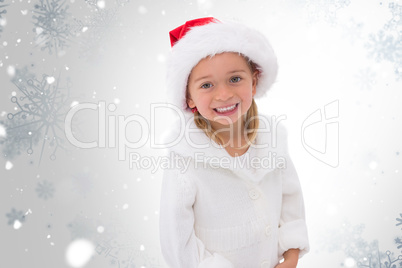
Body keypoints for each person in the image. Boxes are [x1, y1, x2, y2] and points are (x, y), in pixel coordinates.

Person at [159, 17, 309, 268]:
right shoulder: (185, 157)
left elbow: (290, 199)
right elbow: (176, 241)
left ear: (254, 79)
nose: (224, 94)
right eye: (206, 85)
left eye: (235, 79)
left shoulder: (272, 138)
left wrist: (291, 256)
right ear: (189, 97)